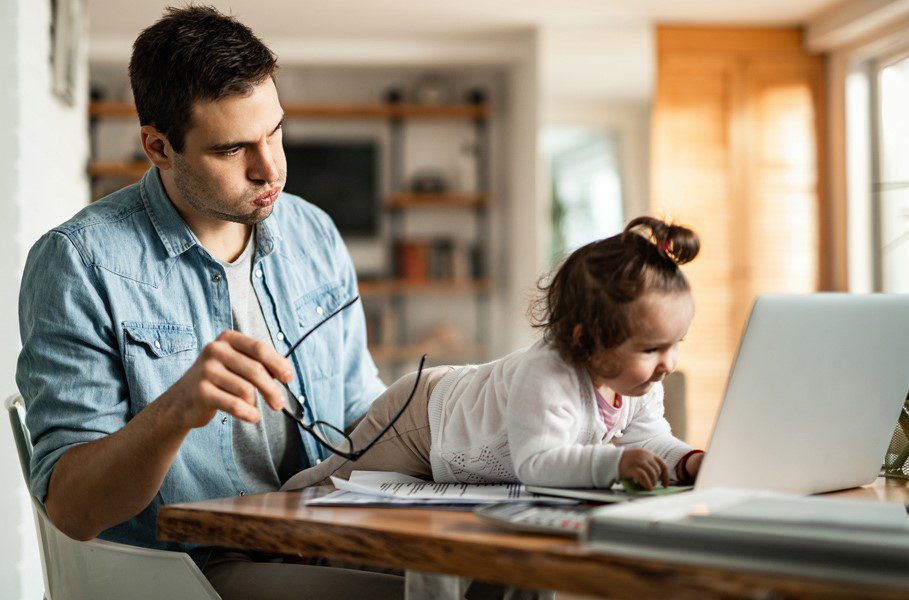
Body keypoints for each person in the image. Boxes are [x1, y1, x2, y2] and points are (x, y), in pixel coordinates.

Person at [16, 6, 402, 599]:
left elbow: (358, 412)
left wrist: (447, 414)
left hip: (323, 540)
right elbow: (72, 509)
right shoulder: (79, 263)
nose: (269, 168)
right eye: (231, 151)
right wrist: (173, 412)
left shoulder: (314, 233)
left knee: (488, 583)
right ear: (158, 147)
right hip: (188, 569)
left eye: (275, 132)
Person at [283, 216, 706, 492]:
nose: (668, 364)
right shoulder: (549, 374)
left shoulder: (638, 383)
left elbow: (649, 438)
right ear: (586, 338)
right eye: (651, 349)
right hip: (424, 420)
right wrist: (616, 463)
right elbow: (538, 463)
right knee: (334, 483)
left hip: (455, 446)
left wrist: (687, 461)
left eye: (676, 345)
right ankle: (267, 518)